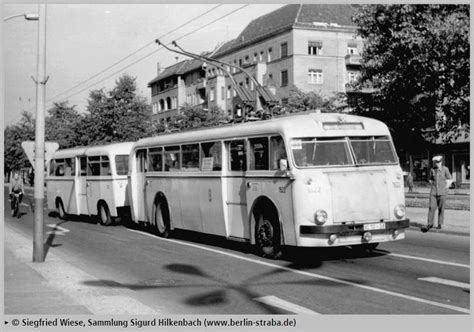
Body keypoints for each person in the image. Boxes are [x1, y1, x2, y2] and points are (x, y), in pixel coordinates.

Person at [423, 155, 452, 232]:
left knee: (441, 209)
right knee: (431, 207)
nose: (437, 164)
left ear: (441, 162)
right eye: (436, 162)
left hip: (443, 192)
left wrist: (446, 188)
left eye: (438, 162)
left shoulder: (445, 169)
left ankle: (439, 223)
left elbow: (449, 179)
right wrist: (432, 183)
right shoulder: (432, 170)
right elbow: (430, 179)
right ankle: (430, 223)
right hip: (433, 191)